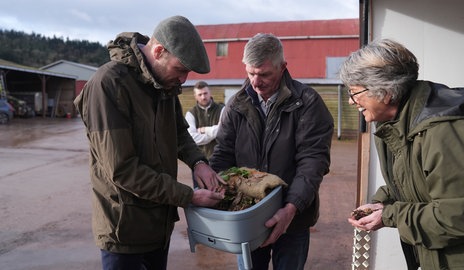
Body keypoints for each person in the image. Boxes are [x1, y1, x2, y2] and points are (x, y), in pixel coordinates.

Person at [73, 15, 226, 270]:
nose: (184, 79)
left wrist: (198, 162)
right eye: (181, 69)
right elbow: (123, 170)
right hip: (125, 231)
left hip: (158, 226)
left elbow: (179, 133)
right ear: (158, 51)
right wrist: (188, 196)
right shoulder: (109, 85)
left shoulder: (164, 85)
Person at [340, 39, 464, 270]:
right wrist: (383, 201)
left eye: (356, 92)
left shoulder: (443, 131)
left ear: (385, 92)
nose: (351, 101)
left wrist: (390, 215)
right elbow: (418, 181)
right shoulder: (397, 125)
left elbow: (458, 216)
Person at [209, 33, 334, 270]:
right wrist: (213, 187)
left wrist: (291, 207)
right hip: (248, 217)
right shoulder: (236, 105)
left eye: (264, 74)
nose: (256, 82)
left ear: (283, 67)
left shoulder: (307, 103)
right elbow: (223, 153)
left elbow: (312, 161)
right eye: (250, 73)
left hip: (293, 217)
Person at [185, 81, 224, 160]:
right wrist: (212, 135)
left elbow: (223, 130)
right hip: (199, 159)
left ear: (210, 93)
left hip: (220, 157)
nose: (203, 97)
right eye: (200, 94)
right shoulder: (191, 114)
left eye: (205, 93)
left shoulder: (222, 109)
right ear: (195, 96)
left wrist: (203, 130)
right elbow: (192, 138)